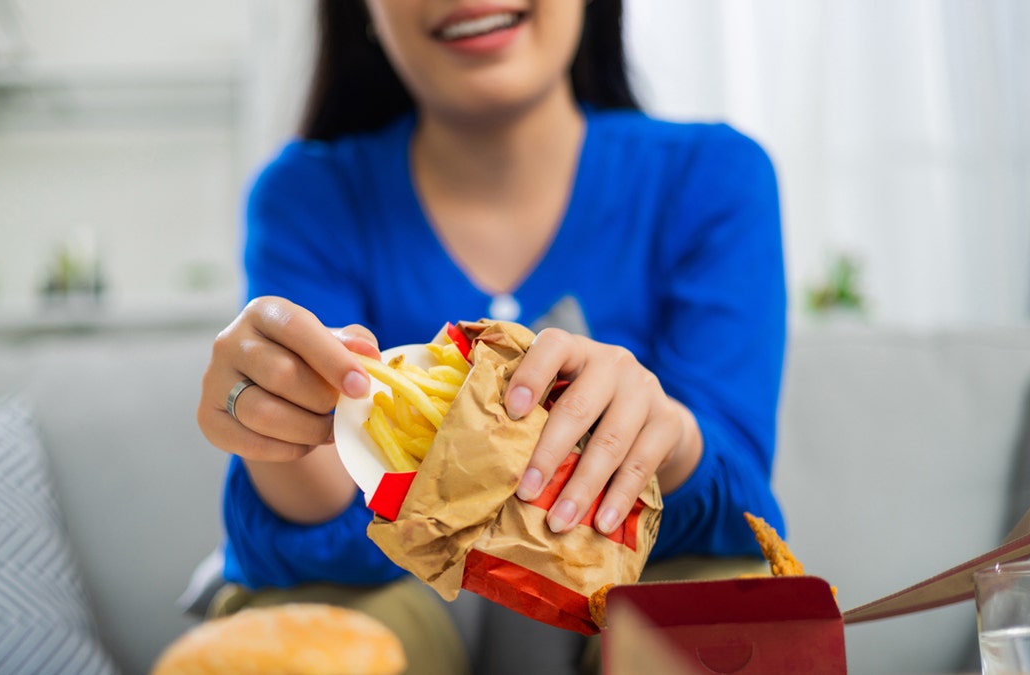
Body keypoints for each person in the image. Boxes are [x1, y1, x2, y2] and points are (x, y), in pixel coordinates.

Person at [195, 0, 786, 672]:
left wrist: (667, 437)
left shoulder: (712, 179)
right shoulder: (306, 198)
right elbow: (316, 543)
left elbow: (736, 518)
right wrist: (279, 426)